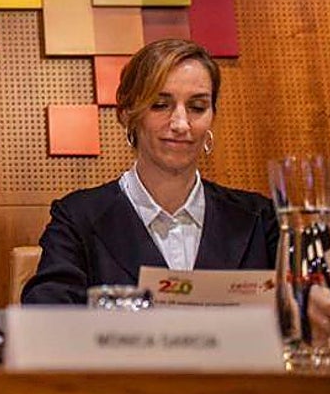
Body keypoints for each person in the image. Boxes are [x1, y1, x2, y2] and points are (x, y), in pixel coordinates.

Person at [22, 38, 278, 305]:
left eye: (197, 107)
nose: (181, 124)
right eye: (160, 104)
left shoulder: (261, 219)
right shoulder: (76, 218)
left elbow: (306, 303)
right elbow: (47, 317)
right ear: (127, 114)